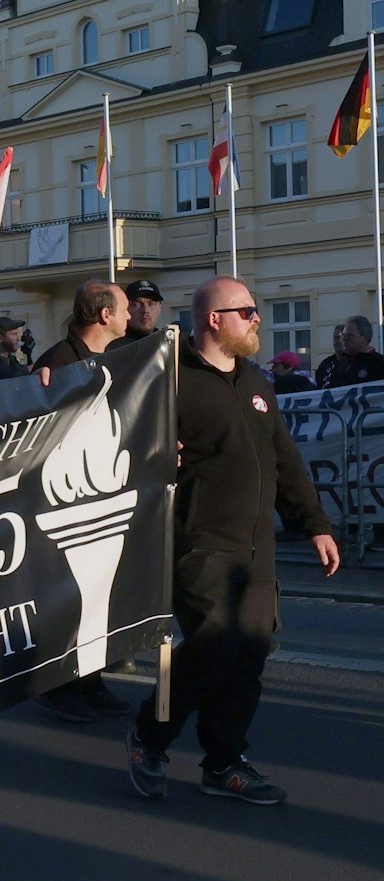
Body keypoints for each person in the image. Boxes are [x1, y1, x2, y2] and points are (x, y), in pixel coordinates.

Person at [128, 278, 339, 805]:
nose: (257, 319)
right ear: (213, 319)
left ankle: (224, 762)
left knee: (248, 655)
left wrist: (315, 523)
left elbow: (284, 460)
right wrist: (152, 451)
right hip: (198, 541)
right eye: (245, 311)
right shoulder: (168, 378)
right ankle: (149, 737)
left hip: (256, 548)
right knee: (213, 647)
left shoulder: (256, 383)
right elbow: (117, 438)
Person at [30, 280, 137, 723]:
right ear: (104, 315)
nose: (131, 317)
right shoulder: (59, 362)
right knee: (67, 597)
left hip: (100, 490)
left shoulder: (109, 359)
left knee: (96, 597)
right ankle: (57, 686)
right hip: (67, 497)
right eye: (125, 309)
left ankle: (89, 679)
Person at [316, 315, 384, 389]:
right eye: (344, 335)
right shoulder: (337, 364)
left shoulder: (378, 363)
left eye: (350, 335)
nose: (344, 339)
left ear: (364, 337)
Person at [114, 280, 165, 348]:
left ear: (160, 306)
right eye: (137, 304)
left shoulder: (168, 343)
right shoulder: (113, 346)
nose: (145, 310)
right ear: (125, 307)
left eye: (152, 303)